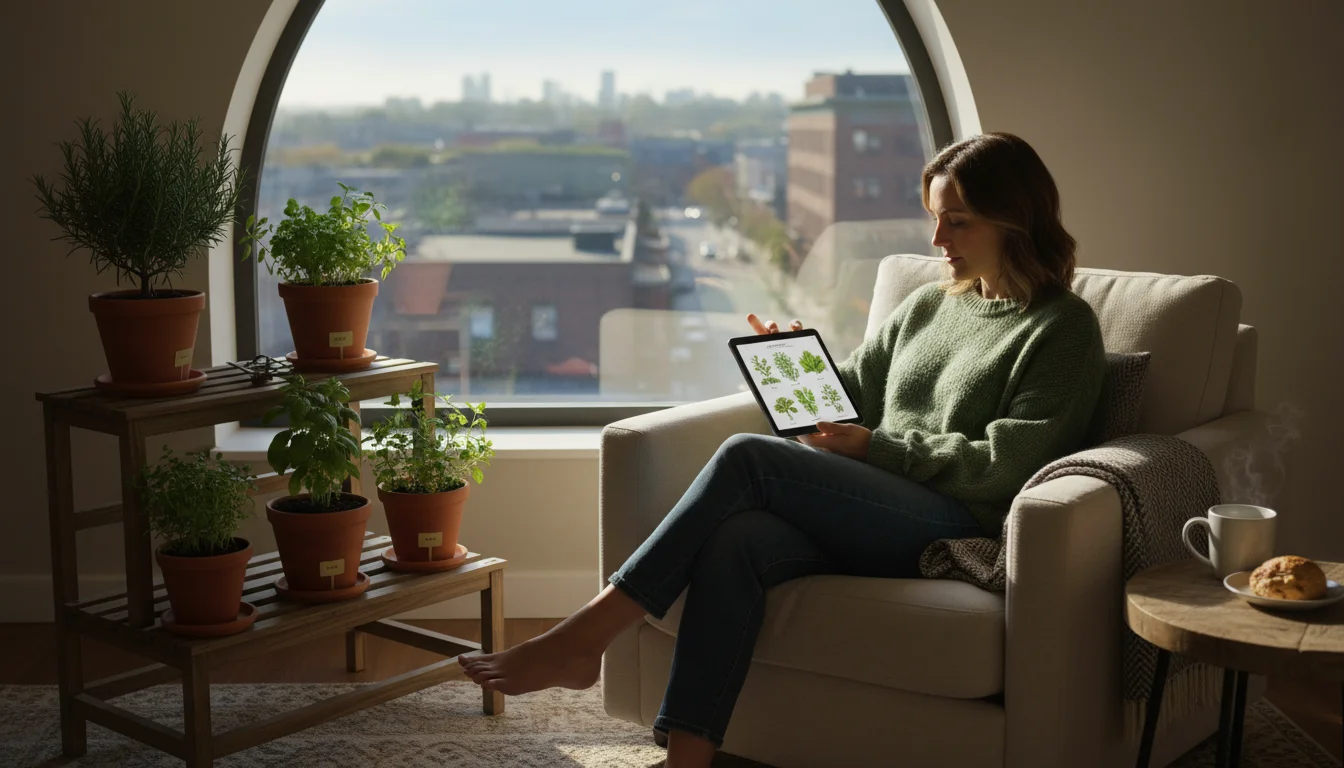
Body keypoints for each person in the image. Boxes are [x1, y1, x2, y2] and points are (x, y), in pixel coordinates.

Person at [460, 132, 1108, 767]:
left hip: (956, 521)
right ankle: (687, 758)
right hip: (876, 507)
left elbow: (1010, 460)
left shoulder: (1061, 327)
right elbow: (852, 398)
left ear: (1015, 221)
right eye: (936, 220)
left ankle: (583, 638)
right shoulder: (927, 307)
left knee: (748, 457)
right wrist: (801, 375)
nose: (937, 242)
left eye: (958, 223)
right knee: (736, 539)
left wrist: (878, 448)